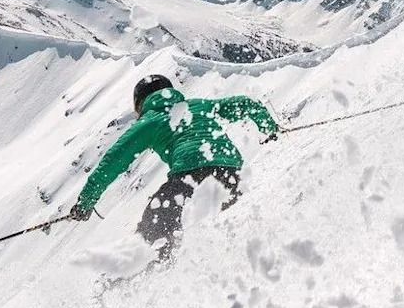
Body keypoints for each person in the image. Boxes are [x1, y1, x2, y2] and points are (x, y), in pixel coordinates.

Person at [70, 75, 278, 262]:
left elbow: (113, 162)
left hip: (190, 179)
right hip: (234, 178)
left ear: (140, 104)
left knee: (151, 238)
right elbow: (245, 104)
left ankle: (138, 285)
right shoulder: (200, 106)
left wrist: (85, 203)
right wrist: (269, 129)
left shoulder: (149, 121)